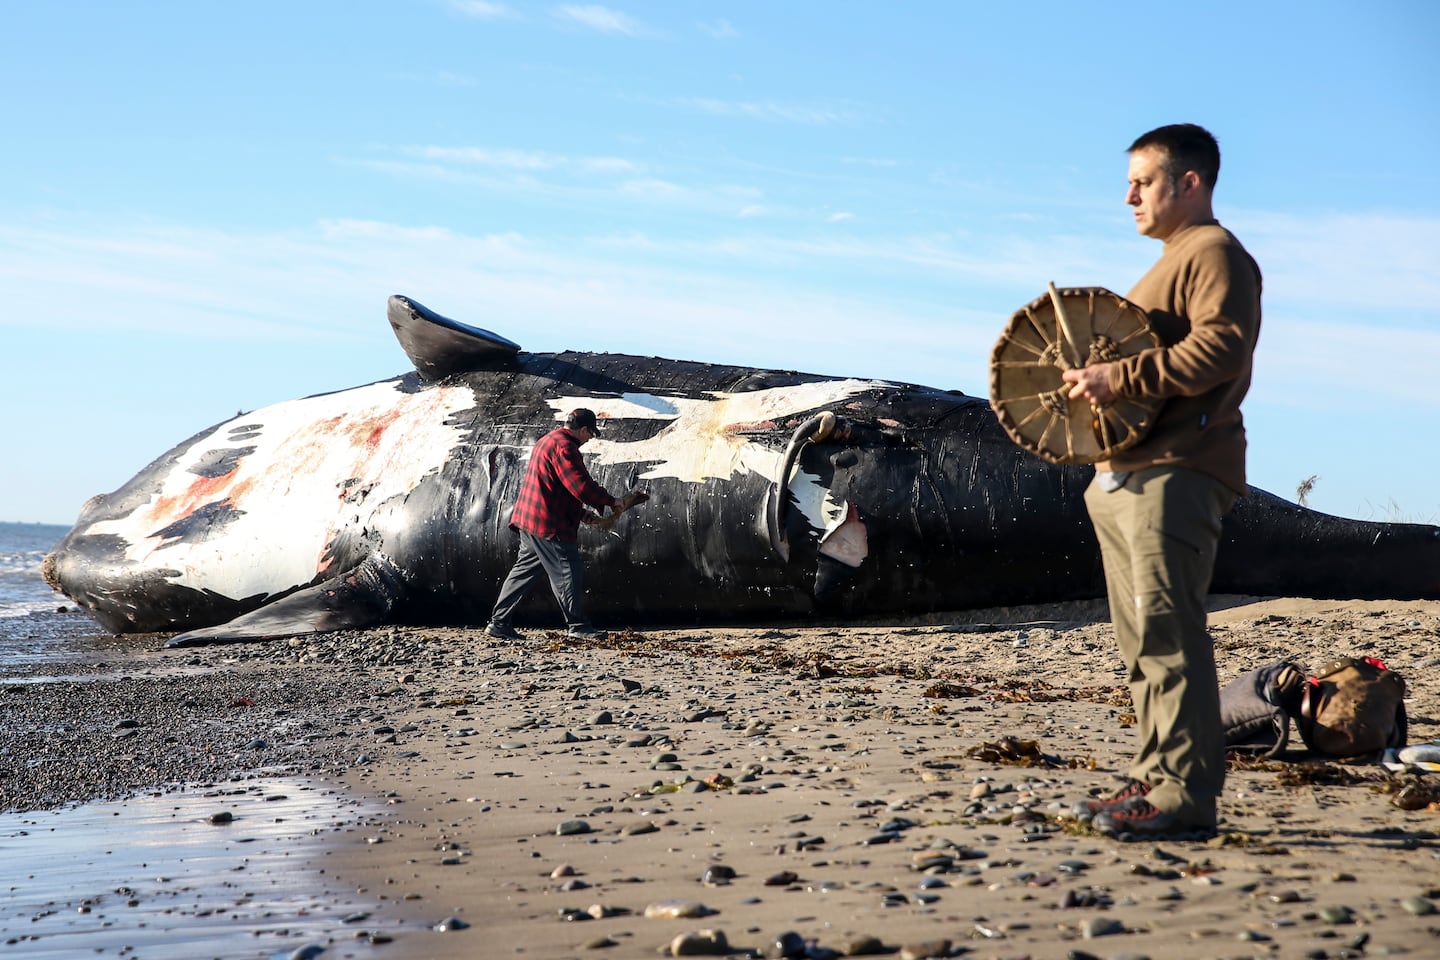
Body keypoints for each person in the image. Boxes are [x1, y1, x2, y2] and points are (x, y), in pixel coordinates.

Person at [1060, 123, 1262, 842]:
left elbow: (1220, 349)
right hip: (1129, 474)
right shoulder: (1169, 262)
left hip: (1177, 473)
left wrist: (1119, 376)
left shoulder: (1212, 252)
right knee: (1142, 641)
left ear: (1191, 183)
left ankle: (1186, 796)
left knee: (1169, 638)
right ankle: (1156, 777)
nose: (1129, 197)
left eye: (1143, 182)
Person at [485, 408, 646, 642]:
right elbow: (580, 486)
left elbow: (557, 488)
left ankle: (498, 623)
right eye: (590, 433)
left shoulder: (547, 440)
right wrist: (613, 501)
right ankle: (578, 625)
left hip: (529, 519)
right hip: (549, 524)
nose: (590, 439)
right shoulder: (565, 447)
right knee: (568, 570)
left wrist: (583, 515)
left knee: (523, 573)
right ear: (582, 429)